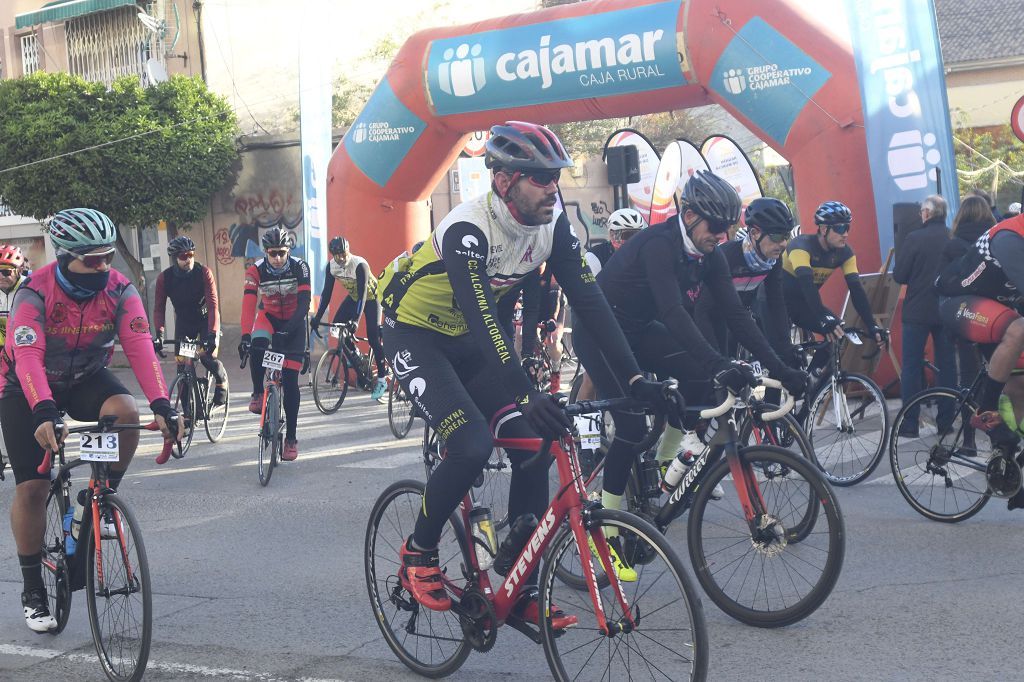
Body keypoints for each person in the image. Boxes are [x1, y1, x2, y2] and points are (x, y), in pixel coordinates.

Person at [376, 121, 674, 624]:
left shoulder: (552, 224)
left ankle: (520, 585)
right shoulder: (468, 229)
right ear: (504, 181)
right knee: (470, 444)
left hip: (468, 341)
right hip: (414, 333)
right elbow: (484, 319)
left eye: (555, 176)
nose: (552, 187)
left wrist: (635, 380)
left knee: (535, 443)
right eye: (540, 178)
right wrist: (525, 391)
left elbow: (591, 302)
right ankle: (418, 552)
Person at [574, 171, 810, 578]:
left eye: (727, 227)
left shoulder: (712, 254)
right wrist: (719, 361)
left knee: (701, 384)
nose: (721, 235)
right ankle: (605, 530)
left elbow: (738, 315)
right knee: (630, 427)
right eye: (715, 226)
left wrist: (782, 368)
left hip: (639, 329)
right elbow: (673, 313)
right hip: (600, 332)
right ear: (687, 215)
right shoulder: (658, 245)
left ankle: (669, 459)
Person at [0, 208, 181, 633]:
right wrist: (43, 410)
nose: (103, 266)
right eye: (92, 260)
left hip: (83, 376)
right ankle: (32, 588)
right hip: (26, 384)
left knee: (126, 411)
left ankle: (102, 496)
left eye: (107, 257)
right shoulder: (34, 293)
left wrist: (162, 402)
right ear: (63, 257)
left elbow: (138, 345)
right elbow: (27, 354)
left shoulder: (120, 289)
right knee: (33, 486)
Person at [936, 209, 1024, 509]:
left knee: (1020, 385)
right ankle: (986, 408)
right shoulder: (1010, 236)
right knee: (1018, 329)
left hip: (997, 311)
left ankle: (1008, 460)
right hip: (958, 303)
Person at [782, 200, 888, 377]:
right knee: (782, 355)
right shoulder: (801, 246)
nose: (845, 234)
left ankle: (809, 385)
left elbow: (856, 290)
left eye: (848, 228)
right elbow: (807, 286)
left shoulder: (845, 253)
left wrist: (872, 326)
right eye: (840, 228)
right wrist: (823, 318)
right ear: (824, 229)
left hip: (802, 304)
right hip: (777, 304)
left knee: (838, 334)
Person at [695, 197, 797, 366]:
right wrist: (716, 361)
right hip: (703, 314)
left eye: (786, 235)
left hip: (735, 316)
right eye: (777, 235)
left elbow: (776, 303)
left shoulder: (773, 260)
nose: (783, 243)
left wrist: (785, 345)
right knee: (715, 374)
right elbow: (702, 311)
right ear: (755, 233)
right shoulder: (727, 256)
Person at [240, 227, 310, 462]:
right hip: (268, 318)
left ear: (288, 250)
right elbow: (249, 304)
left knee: (290, 381)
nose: (278, 258)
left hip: (294, 323)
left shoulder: (300, 267)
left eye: (282, 252)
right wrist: (244, 336)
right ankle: (259, 393)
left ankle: (290, 438)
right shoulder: (255, 270)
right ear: (266, 252)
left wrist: (287, 330)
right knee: (257, 345)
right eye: (273, 253)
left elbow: (304, 304)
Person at [892, 195, 956, 437]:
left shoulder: (914, 238)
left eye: (922, 212)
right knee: (947, 366)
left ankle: (910, 425)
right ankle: (946, 423)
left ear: (927, 214)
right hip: (946, 309)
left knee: (910, 367)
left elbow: (900, 275)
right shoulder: (952, 236)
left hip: (917, 311)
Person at [309, 235, 388, 400]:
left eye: (345, 254)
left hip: (372, 299)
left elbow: (363, 295)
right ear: (333, 255)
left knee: (374, 339)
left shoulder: (359, 265)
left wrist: (355, 321)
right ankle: (358, 357)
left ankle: (382, 379)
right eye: (339, 256)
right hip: (353, 298)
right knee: (337, 330)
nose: (343, 258)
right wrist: (317, 317)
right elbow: (326, 294)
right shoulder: (331, 267)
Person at [152, 236, 228, 406]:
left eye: (191, 255)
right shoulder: (165, 279)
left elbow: (213, 305)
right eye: (183, 257)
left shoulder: (204, 273)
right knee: (182, 367)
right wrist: (159, 334)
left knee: (206, 357)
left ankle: (221, 378)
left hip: (205, 320)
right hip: (184, 324)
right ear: (174, 258)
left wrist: (212, 333)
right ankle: (188, 415)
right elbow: (158, 308)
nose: (188, 259)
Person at [942, 195, 997, 389]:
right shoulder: (995, 241)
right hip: (996, 313)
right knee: (1000, 370)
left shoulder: (953, 245)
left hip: (967, 313)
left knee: (968, 373)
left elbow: (947, 283)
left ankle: (968, 416)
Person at [519, 263, 566, 393]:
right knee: (519, 334)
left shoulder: (552, 269)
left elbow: (556, 295)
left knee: (554, 340)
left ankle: (555, 371)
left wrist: (553, 318)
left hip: (553, 309)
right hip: (533, 308)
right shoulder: (526, 269)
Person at [584, 207, 647, 276]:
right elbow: (592, 285)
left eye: (638, 235)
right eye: (627, 235)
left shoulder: (646, 255)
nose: (633, 240)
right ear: (612, 234)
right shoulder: (594, 256)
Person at [0, 244, 27, 348]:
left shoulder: (32, 288)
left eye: (6, 271)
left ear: (19, 271)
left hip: (27, 346)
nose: (1, 277)